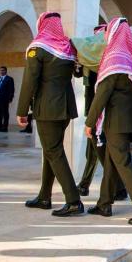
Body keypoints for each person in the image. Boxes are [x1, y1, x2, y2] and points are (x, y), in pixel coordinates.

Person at [84, 17, 132, 224]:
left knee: (123, 163)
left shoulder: (114, 59)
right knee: (111, 161)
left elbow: (102, 94)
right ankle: (104, 204)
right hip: (126, 120)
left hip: (114, 122)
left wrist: (90, 122)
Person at [17, 12, 83, 217]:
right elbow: (79, 72)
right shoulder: (67, 47)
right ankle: (44, 197)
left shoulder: (38, 48)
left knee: (54, 152)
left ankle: (73, 201)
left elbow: (30, 81)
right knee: (50, 150)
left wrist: (22, 111)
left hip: (47, 108)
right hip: (64, 108)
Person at [75, 25, 126, 200]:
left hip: (102, 108)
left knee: (99, 149)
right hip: (92, 105)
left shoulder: (108, 56)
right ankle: (111, 186)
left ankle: (113, 187)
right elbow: (81, 74)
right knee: (95, 149)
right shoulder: (91, 54)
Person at [0, 66, 14, 132]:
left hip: (5, 99)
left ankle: (5, 127)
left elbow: (11, 89)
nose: (1, 72)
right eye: (0, 70)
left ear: (6, 71)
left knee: (5, 113)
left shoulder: (9, 79)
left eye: (3, 70)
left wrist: (10, 98)